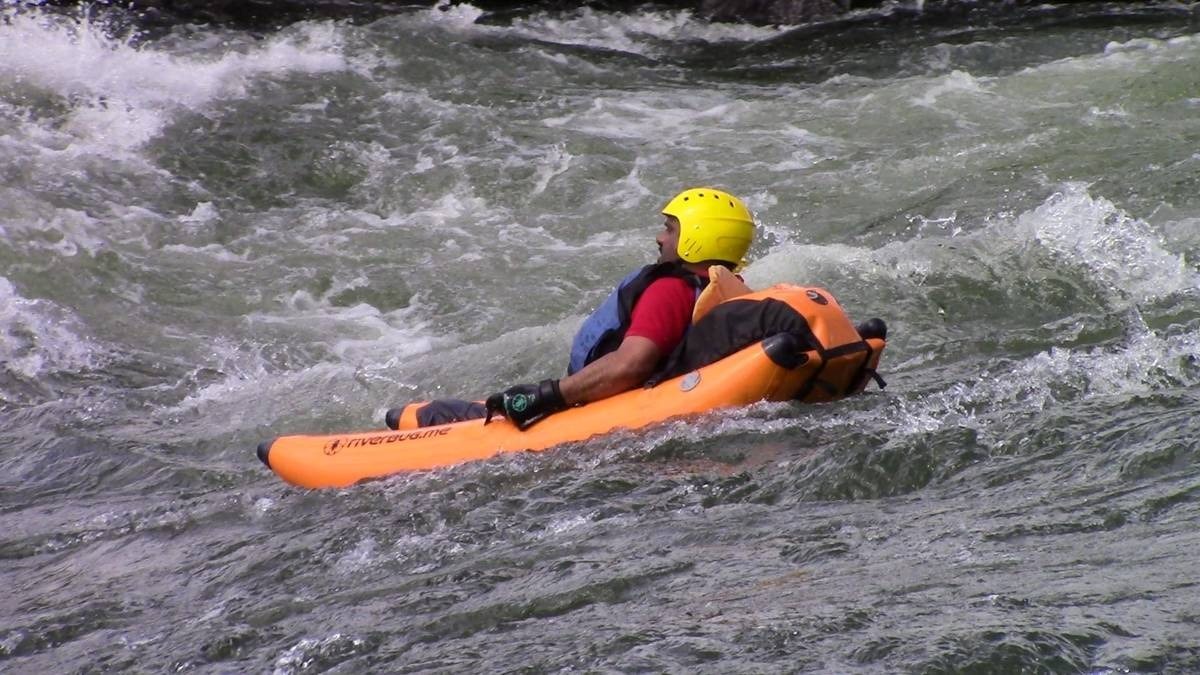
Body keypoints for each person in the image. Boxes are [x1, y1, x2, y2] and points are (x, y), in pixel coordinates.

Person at [410, 187, 757, 431]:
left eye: (670, 229)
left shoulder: (670, 290)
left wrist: (546, 395)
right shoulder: (726, 290)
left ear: (697, 237)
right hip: (650, 399)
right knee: (413, 414)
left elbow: (630, 364)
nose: (660, 238)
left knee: (435, 413)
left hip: (603, 409)